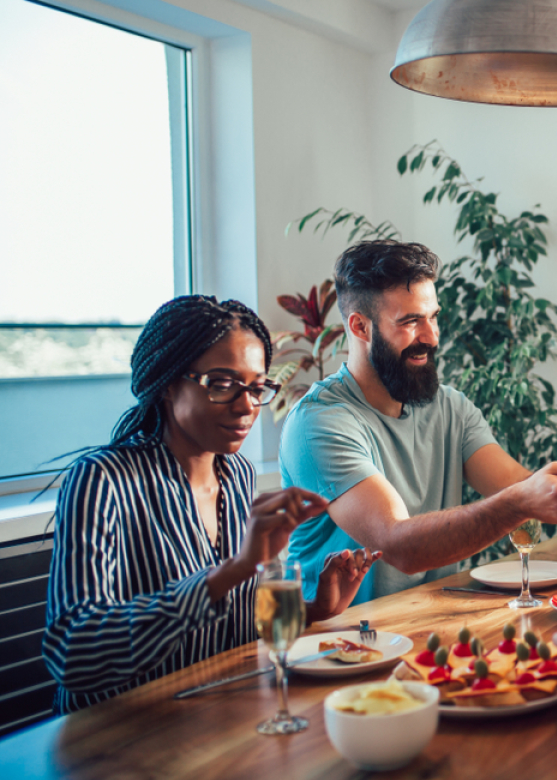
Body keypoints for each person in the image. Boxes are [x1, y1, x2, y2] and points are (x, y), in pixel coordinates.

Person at [44, 296, 379, 715]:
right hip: (121, 735)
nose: (245, 406)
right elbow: (72, 655)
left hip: (218, 717)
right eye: (222, 384)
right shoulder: (102, 481)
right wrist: (233, 569)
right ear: (168, 383)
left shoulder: (237, 475)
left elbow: (232, 625)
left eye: (258, 388)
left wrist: (314, 609)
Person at [280, 240, 557, 605]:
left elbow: (519, 485)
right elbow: (399, 546)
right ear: (360, 327)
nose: (431, 337)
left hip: (429, 624)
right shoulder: (319, 422)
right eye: (410, 321)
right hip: (335, 645)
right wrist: (521, 503)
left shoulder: (450, 406)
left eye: (433, 316)